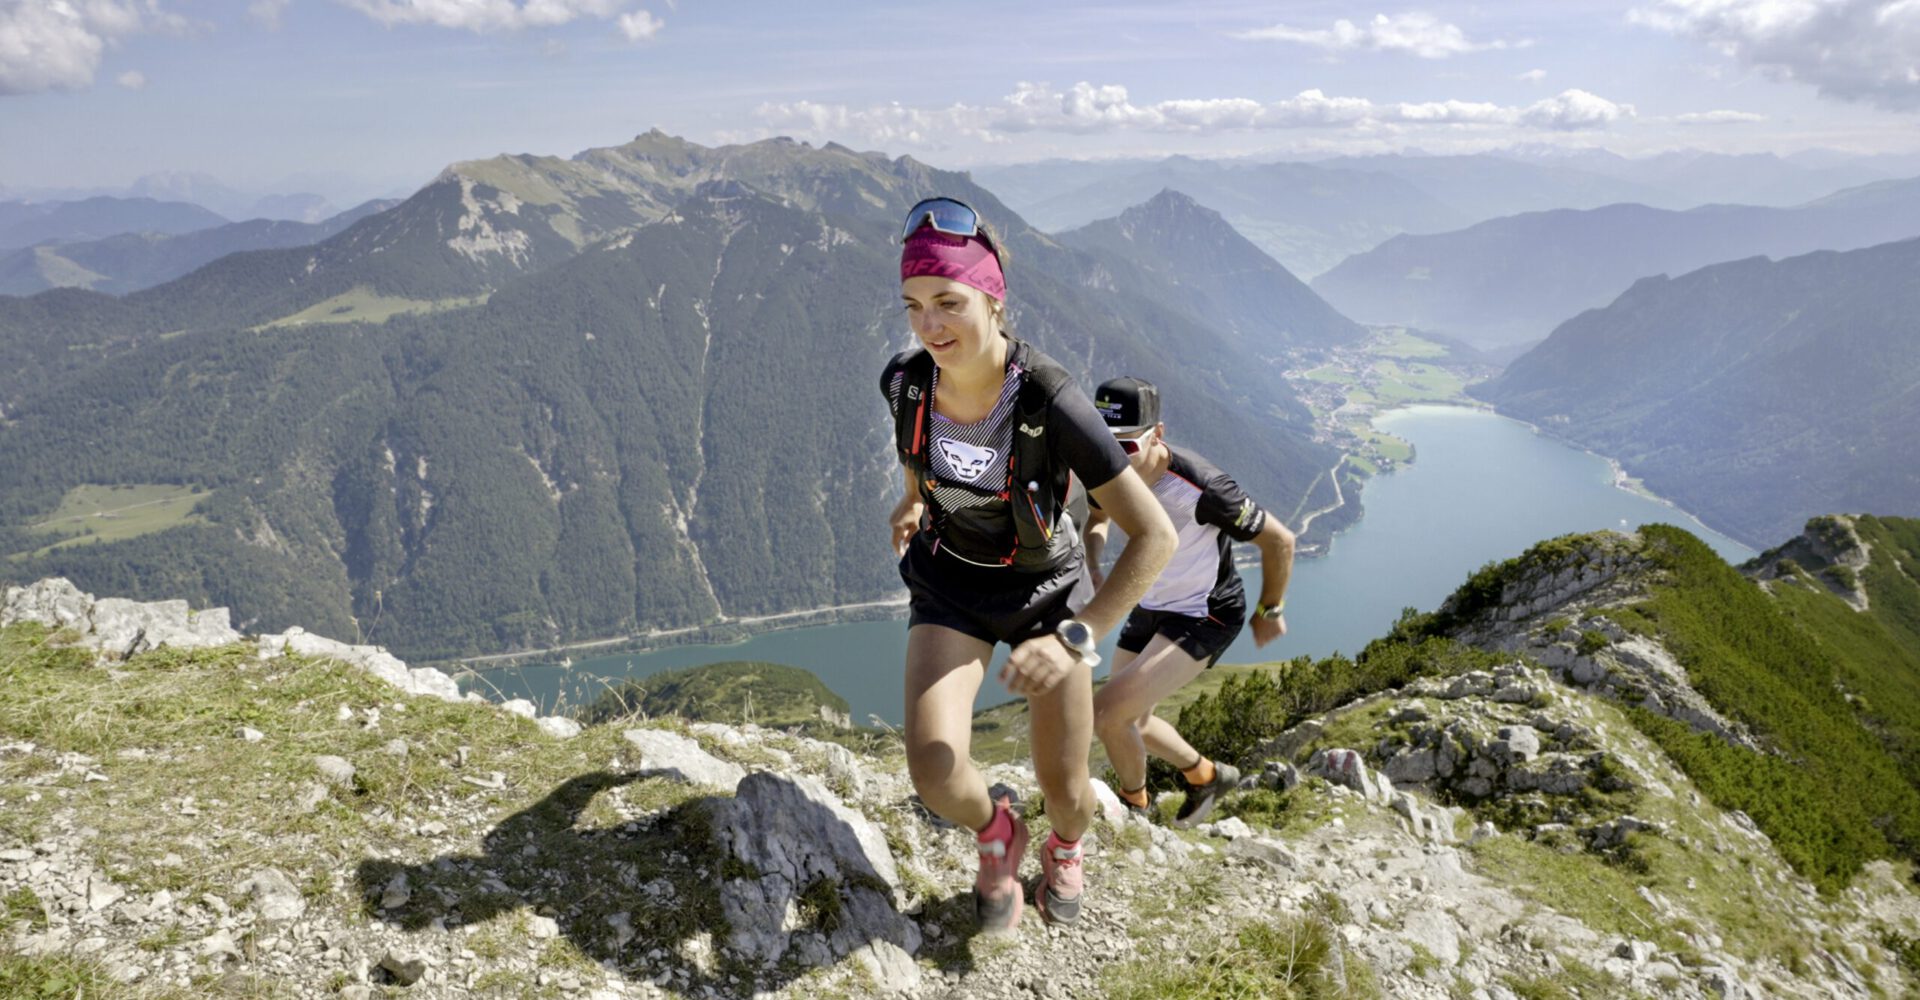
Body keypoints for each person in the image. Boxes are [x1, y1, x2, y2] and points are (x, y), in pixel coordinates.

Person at [883, 197, 1176, 932]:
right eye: (914, 305)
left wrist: (1080, 634)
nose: (930, 325)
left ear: (993, 297)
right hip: (950, 581)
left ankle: (1066, 846)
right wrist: (913, 501)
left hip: (1049, 595)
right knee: (935, 772)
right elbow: (920, 455)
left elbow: (1155, 535)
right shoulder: (907, 382)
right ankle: (998, 832)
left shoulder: (1052, 401)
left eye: (949, 302)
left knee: (1069, 787)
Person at [1083, 375, 1296, 828]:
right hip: (1152, 600)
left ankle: (1134, 811)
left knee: (1107, 714)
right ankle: (1208, 776)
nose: (1111, 456)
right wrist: (1094, 561)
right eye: (1102, 442)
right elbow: (1096, 519)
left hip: (1206, 613)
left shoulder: (1203, 487)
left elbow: (1280, 541)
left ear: (1156, 435)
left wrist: (1270, 608)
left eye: (1126, 446)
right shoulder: (1106, 469)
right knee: (1130, 720)